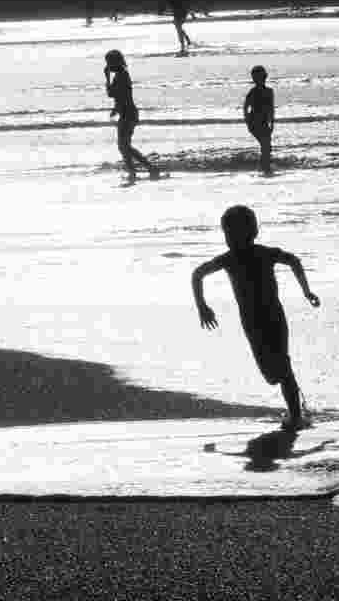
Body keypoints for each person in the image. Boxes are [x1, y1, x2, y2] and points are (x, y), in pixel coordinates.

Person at [191, 205, 321, 431]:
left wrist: (306, 291)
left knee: (282, 366)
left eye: (234, 233)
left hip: (272, 316)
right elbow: (197, 274)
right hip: (251, 323)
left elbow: (293, 260)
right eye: (227, 234)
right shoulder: (228, 259)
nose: (230, 238)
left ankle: (296, 416)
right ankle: (297, 410)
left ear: (253, 232)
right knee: (271, 374)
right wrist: (202, 306)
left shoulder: (264, 253)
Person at [104, 49, 159, 183]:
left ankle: (146, 168)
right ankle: (136, 170)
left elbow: (112, 94)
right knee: (124, 146)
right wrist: (115, 108)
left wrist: (106, 78)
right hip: (127, 113)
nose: (107, 66)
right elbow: (122, 96)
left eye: (109, 63)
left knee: (124, 146)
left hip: (129, 114)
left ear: (115, 62)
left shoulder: (122, 75)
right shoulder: (121, 75)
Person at [243, 65, 275, 175]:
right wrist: (247, 121)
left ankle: (265, 166)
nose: (259, 80)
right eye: (257, 78)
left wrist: (272, 123)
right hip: (255, 122)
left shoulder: (269, 91)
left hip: (264, 121)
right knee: (266, 145)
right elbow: (246, 107)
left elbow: (271, 109)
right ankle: (265, 166)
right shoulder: (253, 92)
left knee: (266, 145)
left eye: (261, 77)